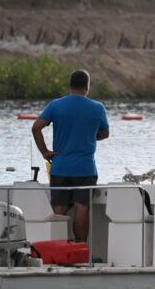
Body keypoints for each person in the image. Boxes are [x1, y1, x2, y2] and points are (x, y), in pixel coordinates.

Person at [31, 69, 109, 242]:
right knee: (82, 209)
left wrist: (44, 151)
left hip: (60, 167)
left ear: (70, 85)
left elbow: (36, 127)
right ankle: (80, 247)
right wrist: (89, 135)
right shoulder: (97, 108)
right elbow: (105, 134)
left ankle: (58, 246)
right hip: (85, 169)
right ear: (87, 86)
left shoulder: (56, 105)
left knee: (59, 210)